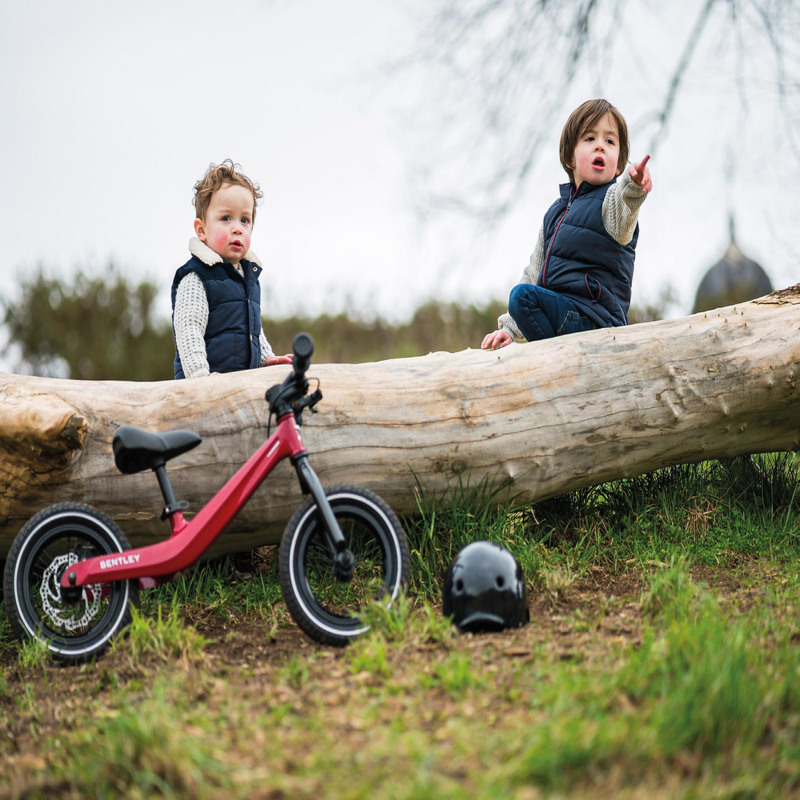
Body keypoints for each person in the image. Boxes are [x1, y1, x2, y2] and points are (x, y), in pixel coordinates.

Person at [481, 99, 653, 350]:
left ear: (618, 164)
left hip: (596, 321)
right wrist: (510, 328)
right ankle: (557, 363)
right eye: (590, 138)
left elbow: (625, 211)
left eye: (610, 141)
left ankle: (552, 360)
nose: (600, 147)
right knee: (522, 297)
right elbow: (534, 271)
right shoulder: (555, 212)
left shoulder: (611, 202)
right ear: (570, 157)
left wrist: (633, 185)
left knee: (522, 298)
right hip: (562, 313)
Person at [171, 159, 291, 379]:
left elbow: (252, 328)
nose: (237, 228)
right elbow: (188, 330)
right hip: (204, 392)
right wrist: (199, 376)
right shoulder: (196, 276)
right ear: (201, 230)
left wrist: (265, 357)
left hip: (242, 389)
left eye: (245, 220)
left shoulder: (248, 277)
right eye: (226, 218)